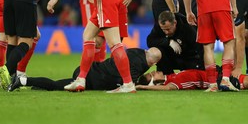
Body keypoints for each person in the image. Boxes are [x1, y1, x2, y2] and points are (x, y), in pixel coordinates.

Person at [8, 48, 162, 92]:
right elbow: (127, 85)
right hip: (91, 80)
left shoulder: (136, 51)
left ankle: (26, 82)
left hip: (88, 70)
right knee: (57, 85)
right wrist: (148, 84)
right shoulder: (136, 69)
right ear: (152, 63)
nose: (151, 71)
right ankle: (23, 81)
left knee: (56, 86)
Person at [136, 69, 248, 91]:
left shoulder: (171, 76)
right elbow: (166, 89)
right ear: (154, 82)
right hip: (218, 81)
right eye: (152, 75)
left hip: (217, 74)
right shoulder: (171, 84)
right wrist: (142, 87)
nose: (154, 72)